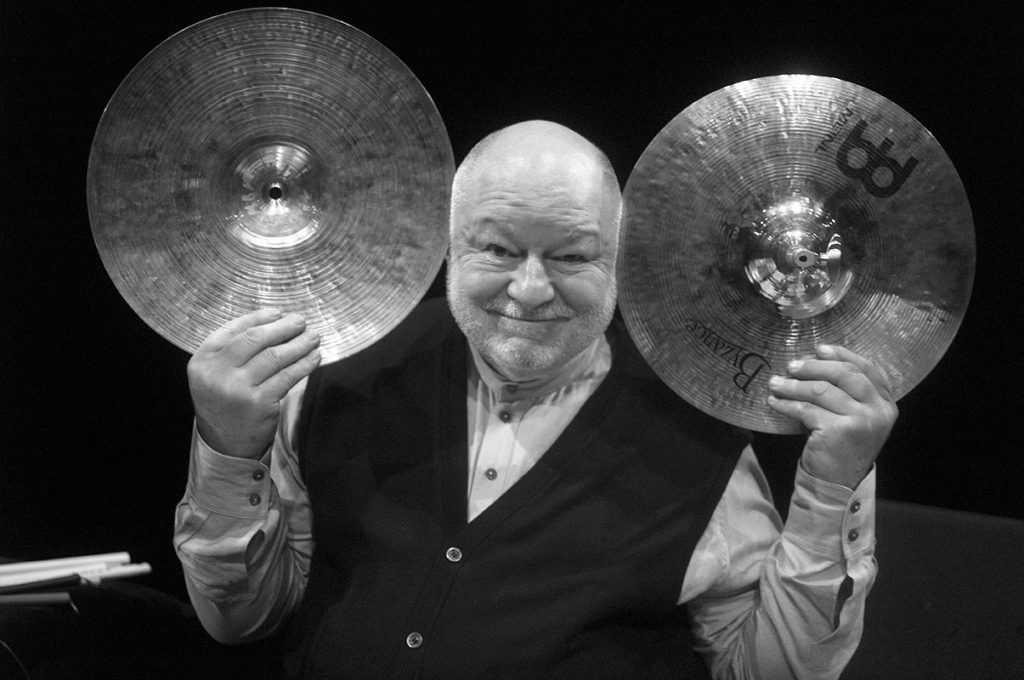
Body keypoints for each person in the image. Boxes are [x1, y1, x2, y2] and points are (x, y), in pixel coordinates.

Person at [175, 120, 897, 679]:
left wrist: (832, 488)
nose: (528, 290)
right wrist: (228, 449)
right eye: (496, 249)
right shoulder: (338, 376)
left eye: (572, 256)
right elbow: (240, 619)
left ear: (620, 260)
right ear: (448, 245)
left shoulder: (698, 439)